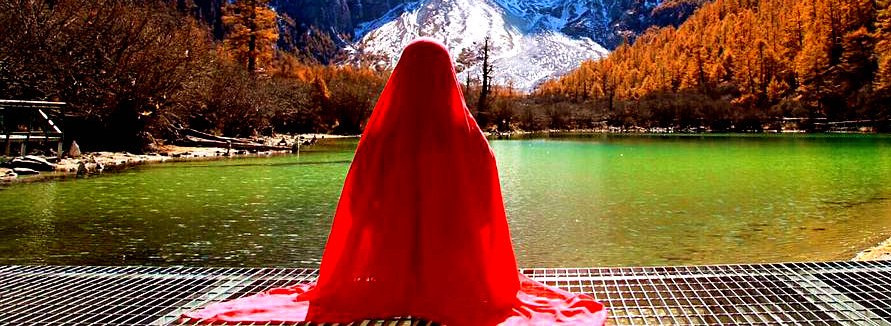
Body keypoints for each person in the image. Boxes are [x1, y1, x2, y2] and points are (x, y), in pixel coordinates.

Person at [183, 38, 606, 325]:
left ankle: (407, 284)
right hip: (457, 272)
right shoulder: (466, 135)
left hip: (383, 266)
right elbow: (486, 211)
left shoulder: (381, 136)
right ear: (446, 76)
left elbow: (356, 205)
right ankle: (430, 284)